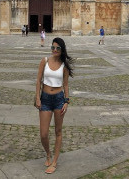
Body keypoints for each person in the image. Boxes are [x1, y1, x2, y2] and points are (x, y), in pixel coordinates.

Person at [34, 37, 73, 175]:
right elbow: (38, 80)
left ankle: (54, 162)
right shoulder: (44, 61)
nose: (55, 50)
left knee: (58, 131)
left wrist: (66, 101)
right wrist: (37, 97)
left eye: (57, 48)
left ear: (62, 50)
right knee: (43, 134)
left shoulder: (64, 65)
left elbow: (66, 85)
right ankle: (48, 153)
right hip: (45, 98)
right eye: (53, 47)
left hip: (58, 99)